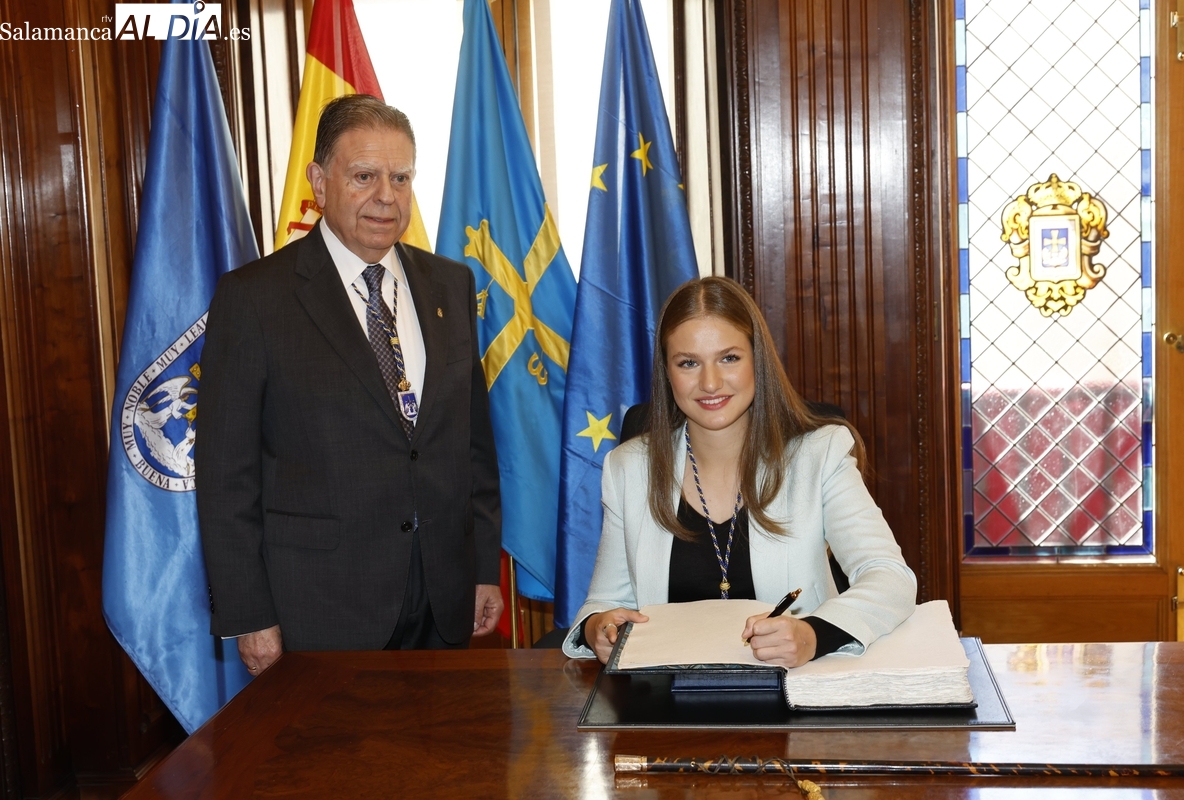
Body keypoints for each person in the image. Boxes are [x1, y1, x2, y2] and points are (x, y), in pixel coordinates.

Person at [197, 95, 502, 675]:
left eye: (401, 177)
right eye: (364, 176)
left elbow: (473, 449)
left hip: (443, 599)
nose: (386, 195)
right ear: (319, 180)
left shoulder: (451, 286)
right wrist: (248, 613)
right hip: (320, 610)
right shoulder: (254, 299)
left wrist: (483, 567)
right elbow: (224, 476)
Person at [562, 276, 915, 667]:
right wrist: (599, 626)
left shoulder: (820, 453)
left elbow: (890, 577)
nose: (710, 382)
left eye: (729, 358)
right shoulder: (628, 468)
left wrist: (814, 634)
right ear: (666, 372)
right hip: (670, 703)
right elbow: (603, 602)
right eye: (688, 363)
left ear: (756, 361)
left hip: (794, 694)